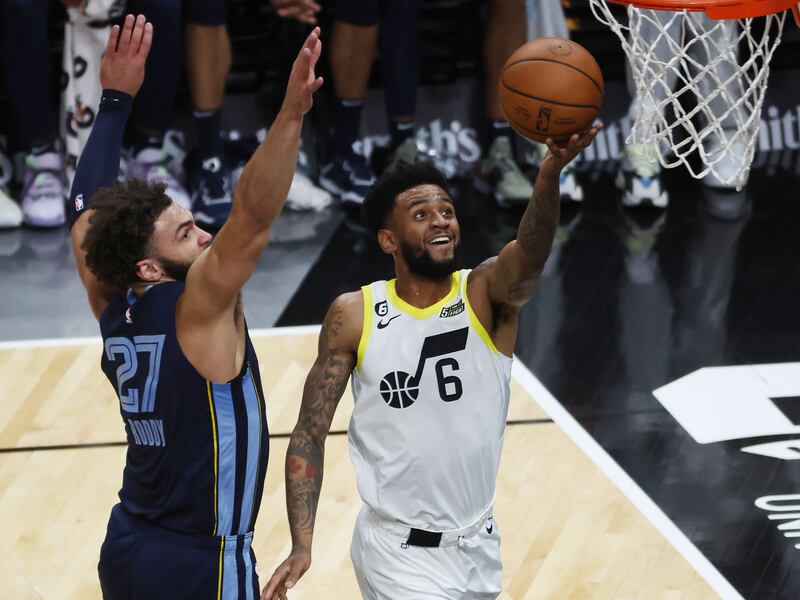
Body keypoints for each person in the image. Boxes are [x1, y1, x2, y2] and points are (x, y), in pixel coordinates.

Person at [263, 122, 600, 598]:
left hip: (478, 545)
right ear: (388, 241)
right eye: (421, 213)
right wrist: (302, 543)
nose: (441, 220)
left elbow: (530, 255)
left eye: (447, 210)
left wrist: (547, 178)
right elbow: (309, 432)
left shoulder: (484, 294)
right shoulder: (354, 315)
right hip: (396, 554)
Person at [68, 15, 322, 598]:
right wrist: (289, 117)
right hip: (200, 561)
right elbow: (253, 218)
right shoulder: (201, 304)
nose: (206, 235)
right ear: (150, 269)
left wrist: (113, 103)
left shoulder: (110, 301)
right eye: (185, 234)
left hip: (128, 543)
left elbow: (84, 215)